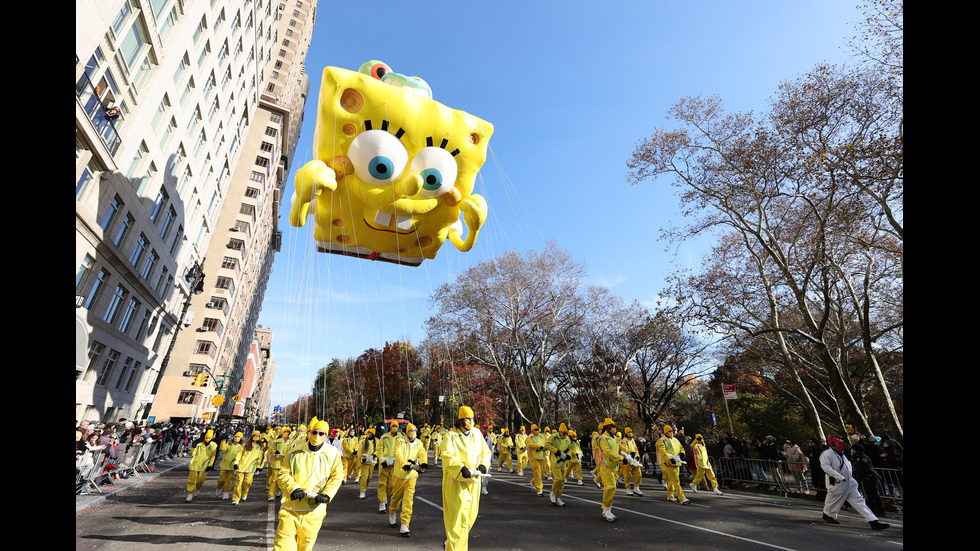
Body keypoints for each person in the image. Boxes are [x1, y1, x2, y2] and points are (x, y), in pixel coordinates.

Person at [272, 419, 345, 551]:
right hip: (291, 507)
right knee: (282, 547)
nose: (317, 436)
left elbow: (338, 475)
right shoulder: (294, 452)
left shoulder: (333, 453)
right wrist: (293, 489)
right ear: (309, 433)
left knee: (305, 547)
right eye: (314, 432)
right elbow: (283, 474)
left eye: (321, 433)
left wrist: (327, 494)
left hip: (314, 510)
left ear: (326, 436)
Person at [441, 406, 491, 551]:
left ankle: (451, 542)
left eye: (471, 419)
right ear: (460, 420)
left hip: (474, 481)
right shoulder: (451, 436)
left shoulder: (477, 433)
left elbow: (485, 452)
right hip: (457, 483)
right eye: (467, 419)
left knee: (470, 517)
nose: (470, 421)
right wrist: (460, 468)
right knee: (459, 520)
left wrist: (483, 465)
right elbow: (447, 456)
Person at [819, 436, 889, 530]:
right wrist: (839, 477)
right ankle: (828, 514)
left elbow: (847, 468)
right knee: (832, 499)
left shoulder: (842, 454)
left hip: (849, 482)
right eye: (839, 443)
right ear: (832, 444)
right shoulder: (826, 454)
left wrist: (851, 479)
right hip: (837, 483)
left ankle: (873, 521)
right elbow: (826, 467)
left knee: (859, 501)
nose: (842, 445)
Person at [389, 423, 428, 537]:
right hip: (399, 474)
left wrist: (423, 463)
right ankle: (392, 512)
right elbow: (398, 455)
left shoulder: (419, 443)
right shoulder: (400, 441)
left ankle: (405, 525)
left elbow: (422, 453)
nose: (413, 432)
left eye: (415, 430)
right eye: (411, 430)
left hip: (411, 475)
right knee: (396, 497)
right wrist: (404, 464)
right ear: (407, 432)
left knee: (408, 500)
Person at [232, 431, 267, 505]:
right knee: (238, 483)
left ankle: (244, 493)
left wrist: (258, 466)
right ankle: (236, 499)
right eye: (255, 435)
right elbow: (239, 454)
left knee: (248, 482)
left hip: (251, 468)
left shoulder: (260, 446)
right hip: (241, 467)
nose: (256, 437)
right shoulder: (245, 445)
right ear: (252, 436)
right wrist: (236, 463)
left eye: (258, 436)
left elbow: (260, 457)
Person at [596, 418, 621, 522]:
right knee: (610, 487)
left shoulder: (615, 438)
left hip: (615, 466)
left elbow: (621, 447)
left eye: (614, 426)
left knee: (613, 488)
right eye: (612, 426)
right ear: (607, 428)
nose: (614, 428)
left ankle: (608, 508)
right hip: (607, 466)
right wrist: (621, 458)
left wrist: (629, 453)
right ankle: (606, 509)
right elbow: (607, 452)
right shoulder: (603, 439)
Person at [851, 443, 886, 518]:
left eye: (853, 449)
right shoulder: (857, 457)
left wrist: (858, 473)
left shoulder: (863, 458)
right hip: (864, 479)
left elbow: (868, 469)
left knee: (875, 495)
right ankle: (872, 510)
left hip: (870, 478)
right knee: (869, 496)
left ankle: (880, 511)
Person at [657, 425, 689, 504]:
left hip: (677, 462)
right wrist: (669, 459)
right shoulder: (661, 441)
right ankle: (682, 497)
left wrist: (682, 453)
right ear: (666, 432)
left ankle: (670, 495)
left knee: (671, 480)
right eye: (669, 431)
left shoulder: (675, 440)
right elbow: (663, 452)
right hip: (669, 463)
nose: (671, 432)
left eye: (672, 431)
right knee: (676, 481)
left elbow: (681, 448)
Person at [185, 429, 218, 502]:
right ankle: (189, 495)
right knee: (191, 480)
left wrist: (210, 465)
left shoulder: (213, 445)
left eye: (209, 438)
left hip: (204, 465)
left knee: (200, 480)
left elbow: (213, 456)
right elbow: (191, 454)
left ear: (212, 438)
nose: (207, 439)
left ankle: (198, 488)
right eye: (206, 437)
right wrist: (193, 448)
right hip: (195, 464)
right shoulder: (199, 444)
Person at [546, 423, 573, 506]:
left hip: (563, 462)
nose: (565, 435)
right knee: (558, 479)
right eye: (564, 433)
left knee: (562, 481)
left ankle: (559, 498)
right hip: (555, 461)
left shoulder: (568, 439)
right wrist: (556, 451)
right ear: (560, 432)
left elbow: (569, 448)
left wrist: (569, 455)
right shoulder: (553, 437)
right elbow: (547, 445)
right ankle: (553, 493)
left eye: (566, 433)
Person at [377, 421, 401, 513]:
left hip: (394, 464)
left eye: (396, 426)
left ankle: (385, 497)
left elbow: (401, 450)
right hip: (385, 464)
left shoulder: (400, 438)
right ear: (390, 427)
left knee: (391, 484)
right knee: (382, 483)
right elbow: (379, 450)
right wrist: (382, 461)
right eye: (393, 426)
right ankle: (382, 502)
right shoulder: (384, 437)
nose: (394, 427)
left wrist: (397, 460)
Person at [215, 432, 244, 499]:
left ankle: (226, 492)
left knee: (229, 480)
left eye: (238, 437)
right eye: (236, 437)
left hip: (233, 466)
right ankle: (219, 487)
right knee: (221, 479)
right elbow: (222, 448)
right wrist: (223, 441)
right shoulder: (229, 444)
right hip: (225, 464)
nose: (236, 438)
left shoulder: (242, 447)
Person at [619, 428, 643, 496]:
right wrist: (630, 453)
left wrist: (637, 456)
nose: (630, 433)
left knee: (639, 474)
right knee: (627, 475)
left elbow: (636, 449)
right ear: (626, 433)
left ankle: (636, 487)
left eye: (631, 432)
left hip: (634, 460)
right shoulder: (623, 441)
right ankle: (628, 488)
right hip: (627, 460)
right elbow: (624, 449)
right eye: (629, 432)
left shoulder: (632, 440)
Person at [526, 424, 547, 496]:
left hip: (542, 456)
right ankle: (539, 490)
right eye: (535, 429)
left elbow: (546, 443)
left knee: (542, 472)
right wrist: (538, 447)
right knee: (537, 473)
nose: (537, 431)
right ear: (532, 430)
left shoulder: (542, 436)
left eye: (538, 429)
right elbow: (530, 445)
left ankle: (533, 482)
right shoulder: (529, 438)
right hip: (534, 458)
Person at [358, 428, 378, 499]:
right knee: (364, 477)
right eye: (368, 433)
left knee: (369, 477)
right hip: (365, 462)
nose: (369, 434)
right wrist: (362, 459)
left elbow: (379, 449)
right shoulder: (363, 442)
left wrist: (374, 455)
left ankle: (364, 487)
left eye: (371, 433)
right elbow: (359, 451)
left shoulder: (377, 441)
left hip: (372, 462)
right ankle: (362, 491)